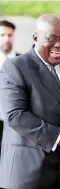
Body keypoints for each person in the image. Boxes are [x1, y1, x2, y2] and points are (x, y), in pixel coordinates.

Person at [0, 14, 60, 189]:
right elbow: (15, 115)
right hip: (28, 171)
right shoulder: (15, 67)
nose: (58, 45)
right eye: (51, 38)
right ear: (36, 38)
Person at [0, 20, 21, 157]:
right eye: (2, 35)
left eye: (9, 35)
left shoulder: (22, 61)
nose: (6, 39)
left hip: (15, 123)